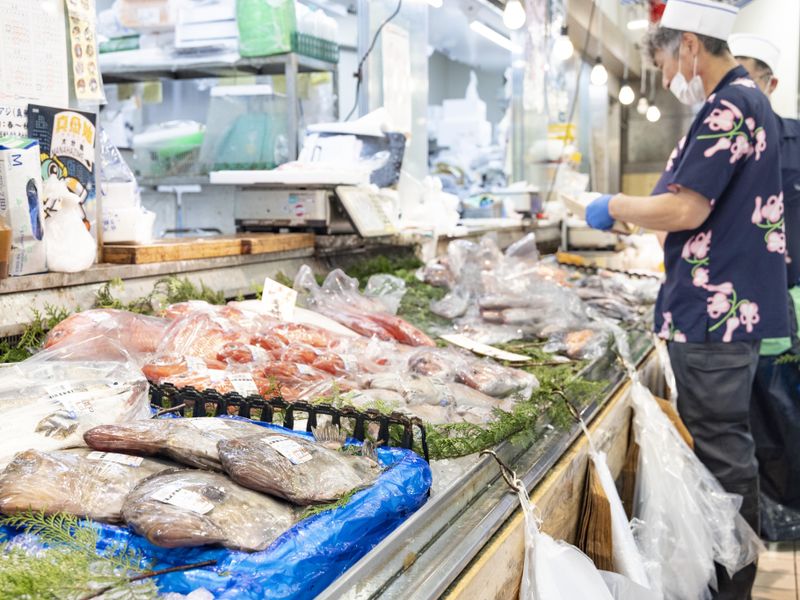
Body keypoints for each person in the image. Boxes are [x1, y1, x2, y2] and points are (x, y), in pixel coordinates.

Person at [584, 0, 790, 597]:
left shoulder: (731, 104)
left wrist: (612, 206)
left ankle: (731, 582)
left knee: (723, 454)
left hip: (715, 317)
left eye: (666, 59)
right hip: (721, 312)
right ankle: (729, 575)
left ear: (690, 47)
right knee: (726, 447)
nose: (671, 73)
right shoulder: (746, 101)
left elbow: (685, 208)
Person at [729, 33, 800, 541]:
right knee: (753, 419)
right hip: (735, 309)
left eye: (748, 79)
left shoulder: (794, 139)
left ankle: (790, 512)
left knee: (789, 412)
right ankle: (768, 521)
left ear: (770, 84)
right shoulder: (719, 143)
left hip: (792, 296)